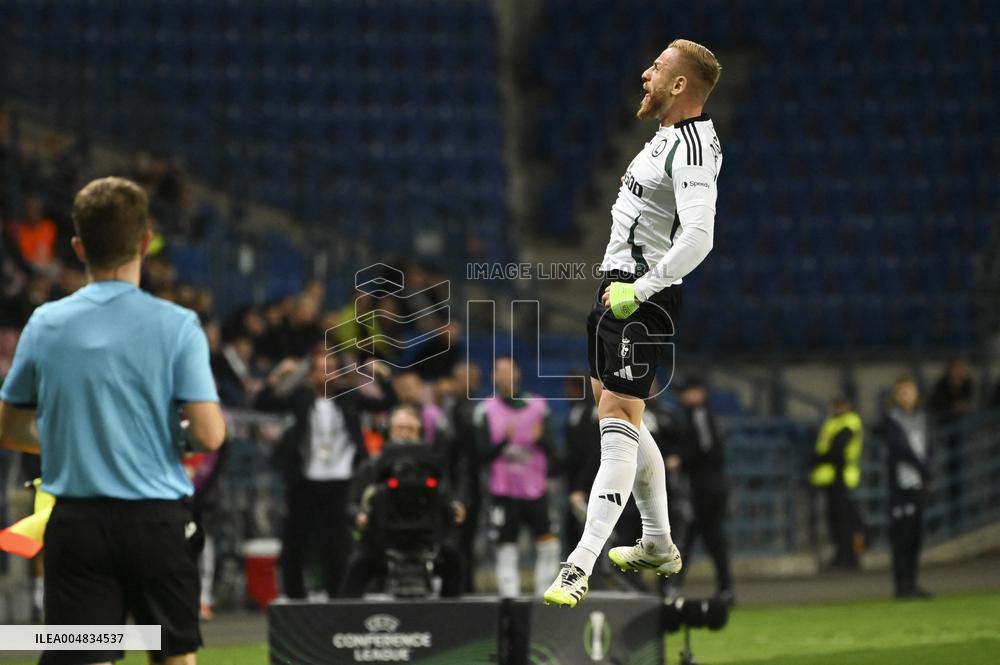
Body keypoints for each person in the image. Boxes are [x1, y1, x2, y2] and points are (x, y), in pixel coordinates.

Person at [0, 176, 226, 665]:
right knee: (172, 658)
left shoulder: (45, 322)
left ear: (78, 246)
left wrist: (72, 444)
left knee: (85, 658)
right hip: (156, 524)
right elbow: (209, 433)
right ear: (145, 242)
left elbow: (11, 428)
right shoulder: (178, 324)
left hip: (77, 526)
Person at [545, 39, 723, 607]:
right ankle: (659, 542)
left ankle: (580, 562)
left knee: (617, 422)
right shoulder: (666, 139)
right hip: (616, 292)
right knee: (618, 413)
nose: (645, 73)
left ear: (679, 86)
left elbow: (700, 236)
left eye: (658, 68)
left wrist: (640, 290)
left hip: (641, 300)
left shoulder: (693, 147)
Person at [253, 352, 392, 599]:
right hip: (306, 479)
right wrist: (277, 376)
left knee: (337, 543)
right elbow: (262, 403)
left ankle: (337, 593)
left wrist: (378, 376)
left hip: (341, 479)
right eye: (321, 368)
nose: (327, 374)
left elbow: (385, 402)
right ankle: (295, 593)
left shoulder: (349, 398)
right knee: (296, 539)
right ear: (310, 374)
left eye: (332, 368)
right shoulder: (302, 398)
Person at [341, 406, 465, 597]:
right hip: (382, 541)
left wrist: (455, 506)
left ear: (420, 432)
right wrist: (359, 515)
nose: (405, 434)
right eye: (399, 428)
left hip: (426, 540)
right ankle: (345, 622)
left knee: (453, 559)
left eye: (410, 429)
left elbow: (449, 495)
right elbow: (352, 503)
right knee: (357, 564)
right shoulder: (371, 467)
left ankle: (453, 621)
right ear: (388, 431)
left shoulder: (435, 467)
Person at [477, 357, 560, 598]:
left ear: (518, 373)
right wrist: (503, 441)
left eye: (509, 370)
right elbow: (481, 455)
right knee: (506, 545)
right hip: (503, 489)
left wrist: (540, 439)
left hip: (535, 487)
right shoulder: (486, 410)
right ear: (493, 377)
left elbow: (554, 450)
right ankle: (509, 600)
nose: (505, 376)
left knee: (548, 543)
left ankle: (544, 596)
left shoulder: (539, 406)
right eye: (499, 371)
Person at [664, 375, 734, 604]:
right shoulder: (695, 414)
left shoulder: (701, 414)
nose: (682, 397)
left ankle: (675, 588)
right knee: (700, 538)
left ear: (698, 392)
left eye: (686, 392)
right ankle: (722, 588)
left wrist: (680, 459)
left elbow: (705, 446)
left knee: (700, 537)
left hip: (707, 487)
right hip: (705, 486)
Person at [880, 376, 932, 599]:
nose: (906, 396)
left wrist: (926, 471)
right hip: (901, 487)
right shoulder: (892, 420)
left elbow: (930, 447)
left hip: (918, 485)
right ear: (896, 396)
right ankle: (901, 586)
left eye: (909, 391)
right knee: (902, 537)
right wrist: (923, 468)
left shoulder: (923, 418)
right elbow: (900, 449)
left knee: (915, 538)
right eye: (901, 392)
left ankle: (912, 583)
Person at [810, 397, 865, 570]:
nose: (838, 408)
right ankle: (844, 556)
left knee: (845, 521)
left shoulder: (849, 422)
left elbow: (837, 450)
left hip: (842, 476)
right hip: (831, 478)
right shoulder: (833, 422)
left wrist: (819, 458)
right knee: (838, 520)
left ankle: (850, 557)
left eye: (841, 405)